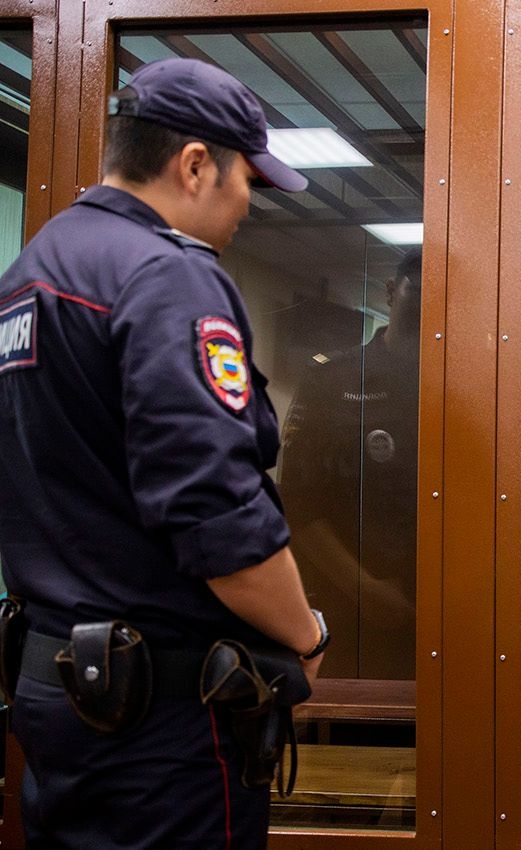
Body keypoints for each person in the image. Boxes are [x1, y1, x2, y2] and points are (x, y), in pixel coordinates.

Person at [0, 57, 324, 848]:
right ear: (193, 165)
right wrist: (306, 636)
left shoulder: (31, 271)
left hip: (60, 694)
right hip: (159, 729)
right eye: (248, 178)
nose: (251, 202)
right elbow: (216, 516)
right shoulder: (167, 276)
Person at [279, 250, 421, 679]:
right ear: (392, 291)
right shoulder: (334, 378)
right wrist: (367, 590)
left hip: (444, 604)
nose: (432, 299)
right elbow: (298, 504)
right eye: (419, 287)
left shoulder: (466, 382)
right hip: (353, 601)